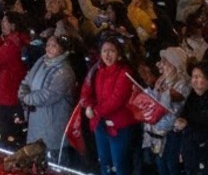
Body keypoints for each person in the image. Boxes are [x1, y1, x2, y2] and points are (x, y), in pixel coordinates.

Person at [81, 38, 140, 175]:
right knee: (105, 163)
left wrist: (95, 111)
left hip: (119, 125)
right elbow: (88, 92)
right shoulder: (97, 70)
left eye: (112, 51)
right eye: (104, 51)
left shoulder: (125, 72)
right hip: (100, 123)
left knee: (120, 164)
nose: (108, 55)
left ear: (118, 53)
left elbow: (116, 99)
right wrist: (89, 105)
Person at [18, 34, 76, 163]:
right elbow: (27, 80)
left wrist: (27, 98)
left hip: (53, 126)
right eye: (48, 45)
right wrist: (22, 92)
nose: (49, 48)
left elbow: (49, 95)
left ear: (62, 49)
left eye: (54, 46)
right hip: (36, 125)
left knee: (52, 165)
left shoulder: (65, 71)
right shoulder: (41, 61)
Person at [0, 12, 30, 148]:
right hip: (14, 95)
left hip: (8, 97)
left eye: (5, 22)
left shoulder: (11, 44)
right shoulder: (18, 41)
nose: (2, 24)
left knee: (7, 136)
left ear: (13, 25)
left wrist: (1, 42)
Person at [147, 47, 190, 175]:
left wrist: (165, 93)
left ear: (174, 64)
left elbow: (177, 98)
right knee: (160, 162)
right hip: (159, 128)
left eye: (165, 61)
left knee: (171, 164)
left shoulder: (184, 82)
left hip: (173, 131)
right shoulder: (162, 79)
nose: (162, 64)